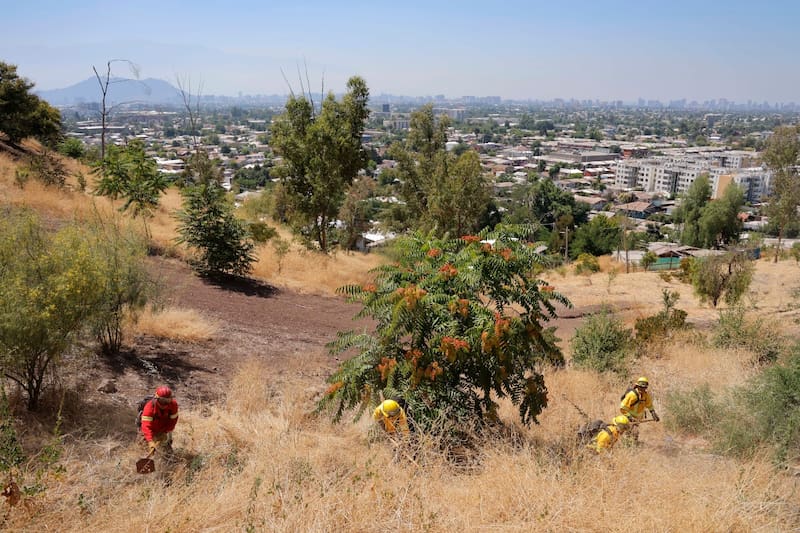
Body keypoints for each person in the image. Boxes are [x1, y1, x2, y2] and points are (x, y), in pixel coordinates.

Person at [140, 386, 179, 453]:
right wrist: (150, 441)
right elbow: (146, 426)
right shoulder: (149, 407)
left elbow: (173, 421)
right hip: (148, 430)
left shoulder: (173, 405)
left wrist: (165, 432)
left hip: (163, 429)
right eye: (162, 401)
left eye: (167, 401)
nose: (164, 404)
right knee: (143, 448)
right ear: (156, 399)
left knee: (167, 451)